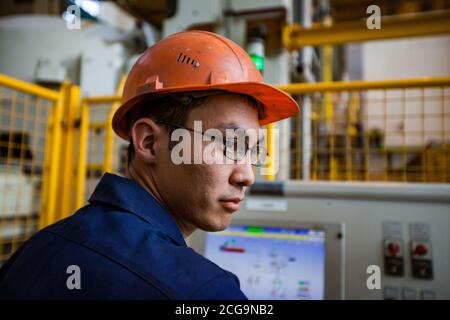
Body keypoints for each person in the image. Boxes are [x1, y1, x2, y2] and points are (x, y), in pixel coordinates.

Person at [0, 30, 299, 299]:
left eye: (253, 150)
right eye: (228, 144)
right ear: (148, 142)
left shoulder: (37, 249)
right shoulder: (202, 291)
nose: (247, 175)